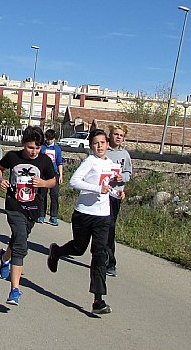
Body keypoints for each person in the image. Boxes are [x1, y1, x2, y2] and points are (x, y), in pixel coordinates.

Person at [46, 129, 118, 314]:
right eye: (95, 143)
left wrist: (118, 192)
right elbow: (74, 181)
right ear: (91, 146)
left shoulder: (111, 164)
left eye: (102, 143)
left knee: (99, 254)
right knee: (79, 249)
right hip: (84, 214)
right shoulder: (90, 162)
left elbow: (109, 187)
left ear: (107, 144)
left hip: (103, 215)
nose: (99, 146)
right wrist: (97, 189)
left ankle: (98, 300)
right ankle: (56, 252)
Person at [0, 126, 56, 306]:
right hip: (14, 205)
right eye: (30, 147)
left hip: (33, 207)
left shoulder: (44, 160)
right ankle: (15, 290)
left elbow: (53, 181)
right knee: (21, 242)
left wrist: (43, 183)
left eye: (37, 148)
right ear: (23, 144)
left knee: (18, 237)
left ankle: (5, 258)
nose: (34, 151)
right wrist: (1, 180)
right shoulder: (13, 157)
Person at [105, 124, 132, 277]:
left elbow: (128, 172)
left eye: (121, 135)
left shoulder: (125, 155)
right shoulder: (103, 151)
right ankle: (104, 258)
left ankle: (109, 262)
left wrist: (124, 177)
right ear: (110, 135)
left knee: (110, 227)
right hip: (102, 194)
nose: (118, 137)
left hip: (116, 195)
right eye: (116, 134)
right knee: (102, 227)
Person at [38, 129, 64, 225]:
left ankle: (53, 216)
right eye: (47, 139)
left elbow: (59, 163)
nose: (49, 141)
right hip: (43, 174)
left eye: (51, 139)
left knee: (54, 195)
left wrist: (61, 175)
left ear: (54, 139)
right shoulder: (42, 147)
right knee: (42, 195)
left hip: (54, 174)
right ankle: (41, 215)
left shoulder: (57, 149)